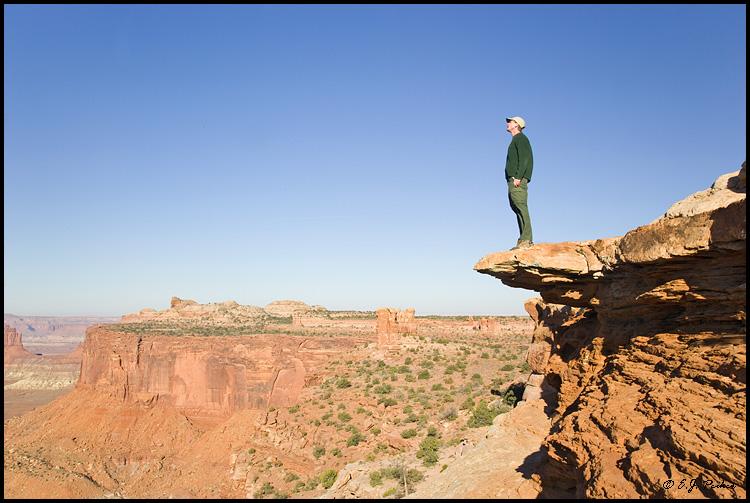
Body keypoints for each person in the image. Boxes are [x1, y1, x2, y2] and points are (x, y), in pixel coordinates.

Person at [504, 116, 533, 249]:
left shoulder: (521, 139)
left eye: (510, 121)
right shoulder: (516, 140)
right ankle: (523, 239)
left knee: (521, 206)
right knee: (517, 208)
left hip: (517, 179)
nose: (507, 123)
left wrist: (518, 177)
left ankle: (527, 239)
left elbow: (525, 159)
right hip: (513, 180)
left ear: (516, 125)